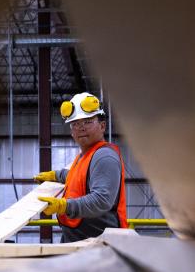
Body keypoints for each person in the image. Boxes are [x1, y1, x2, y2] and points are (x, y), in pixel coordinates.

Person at [33, 92, 128, 242]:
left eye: (88, 122)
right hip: (80, 242)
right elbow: (79, 177)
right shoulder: (85, 156)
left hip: (99, 247)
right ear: (72, 132)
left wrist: (64, 206)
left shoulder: (104, 156)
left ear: (102, 126)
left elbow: (102, 200)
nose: (81, 128)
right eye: (76, 124)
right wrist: (57, 175)